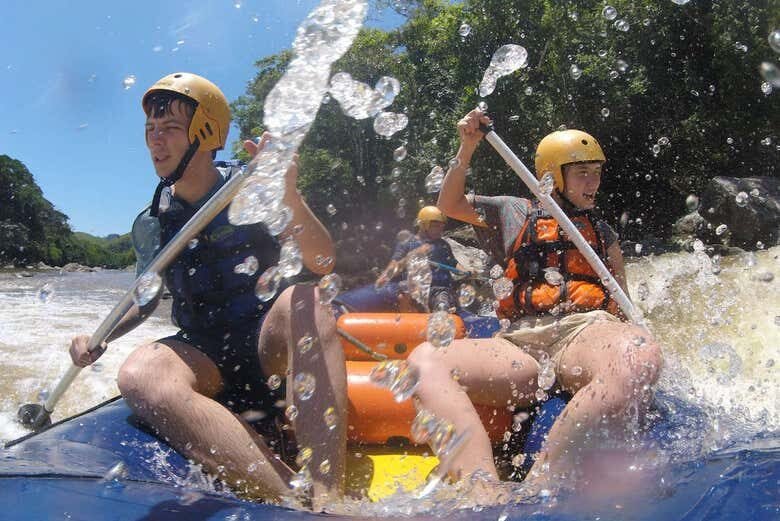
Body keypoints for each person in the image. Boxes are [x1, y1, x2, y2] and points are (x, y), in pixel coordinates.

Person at [69, 72, 346, 509]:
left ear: (207, 134)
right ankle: (294, 502)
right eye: (150, 131)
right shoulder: (151, 222)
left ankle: (330, 496)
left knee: (307, 298)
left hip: (268, 345)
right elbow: (144, 299)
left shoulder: (256, 187)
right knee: (139, 373)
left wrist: (289, 195)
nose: (155, 142)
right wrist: (100, 337)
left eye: (170, 129)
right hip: (205, 355)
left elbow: (323, 262)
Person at [407, 108, 663, 496]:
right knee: (423, 361)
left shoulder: (603, 232)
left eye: (596, 172)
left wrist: (638, 349)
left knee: (639, 355)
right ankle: (483, 492)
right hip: (520, 344)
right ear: (552, 177)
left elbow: (620, 302)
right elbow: (450, 203)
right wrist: (467, 147)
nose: (593, 182)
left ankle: (539, 485)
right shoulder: (513, 211)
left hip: (585, 332)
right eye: (582, 173)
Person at [336, 206, 461, 313]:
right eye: (436, 226)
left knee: (442, 299)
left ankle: (443, 313)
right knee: (403, 292)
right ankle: (408, 324)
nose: (440, 229)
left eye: (441, 226)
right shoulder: (408, 244)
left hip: (440, 290)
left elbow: (454, 265)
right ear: (423, 225)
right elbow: (393, 269)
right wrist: (413, 255)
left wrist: (468, 271)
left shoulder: (443, 245)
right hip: (416, 289)